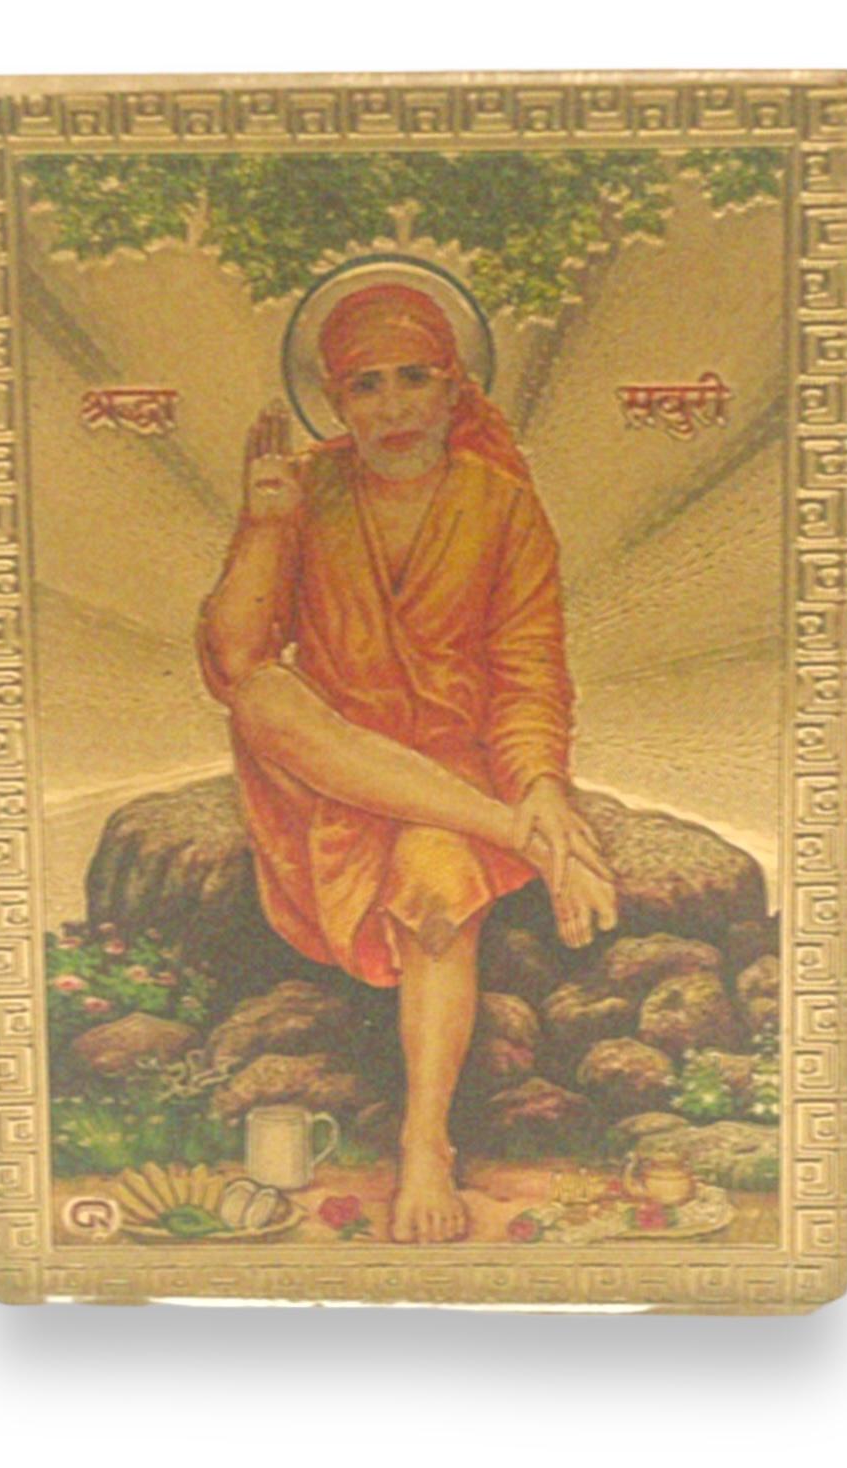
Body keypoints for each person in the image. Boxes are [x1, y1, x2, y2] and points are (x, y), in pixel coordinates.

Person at [197, 282, 617, 1242]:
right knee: (264, 695)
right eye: (366, 385)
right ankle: (519, 840)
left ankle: (426, 1144)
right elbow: (234, 658)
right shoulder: (307, 490)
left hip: (454, 779)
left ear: (454, 388)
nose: (392, 406)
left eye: (413, 379)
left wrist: (541, 788)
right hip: (329, 773)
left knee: (437, 886)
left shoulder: (503, 508)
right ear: (336, 401)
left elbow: (529, 676)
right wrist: (262, 527)